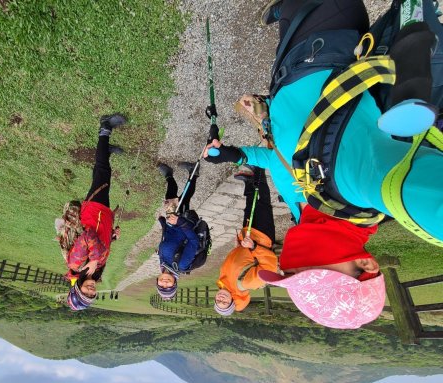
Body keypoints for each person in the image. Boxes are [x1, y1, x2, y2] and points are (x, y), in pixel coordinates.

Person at [205, 0, 443, 327]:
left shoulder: (317, 207)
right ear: (365, 264)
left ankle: (285, 11)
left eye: (294, 277)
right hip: (324, 45)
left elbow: (280, 162)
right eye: (318, 276)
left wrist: (236, 153)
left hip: (289, 68)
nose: (298, 269)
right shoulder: (361, 188)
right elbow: (422, 196)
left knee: (291, 13)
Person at [56, 114, 126, 310]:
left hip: (94, 212)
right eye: (92, 295)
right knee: (102, 174)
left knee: (102, 170)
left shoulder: (77, 265)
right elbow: (100, 245)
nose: (90, 290)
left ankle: (104, 129)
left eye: (85, 293)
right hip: (103, 218)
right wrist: (112, 237)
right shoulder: (94, 273)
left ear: (77, 289)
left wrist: (94, 260)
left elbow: (87, 236)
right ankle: (106, 150)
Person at [214, 168, 279, 316]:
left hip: (246, 238)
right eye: (225, 303)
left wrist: (238, 246)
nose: (221, 299)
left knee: (249, 209)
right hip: (261, 238)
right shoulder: (245, 284)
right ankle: (259, 170)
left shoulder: (224, 282)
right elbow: (269, 266)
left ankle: (249, 182)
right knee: (263, 204)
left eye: (218, 302)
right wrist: (254, 246)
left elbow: (237, 262)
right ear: (233, 300)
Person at [155, 161, 201, 300]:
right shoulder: (181, 265)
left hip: (171, 223)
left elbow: (166, 240)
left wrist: (163, 223)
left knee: (170, 199)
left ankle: (169, 176)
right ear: (175, 283)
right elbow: (194, 241)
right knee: (184, 197)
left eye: (161, 286)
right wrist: (180, 222)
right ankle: (194, 172)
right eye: (168, 287)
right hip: (183, 221)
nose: (165, 284)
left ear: (157, 281)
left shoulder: (163, 265)